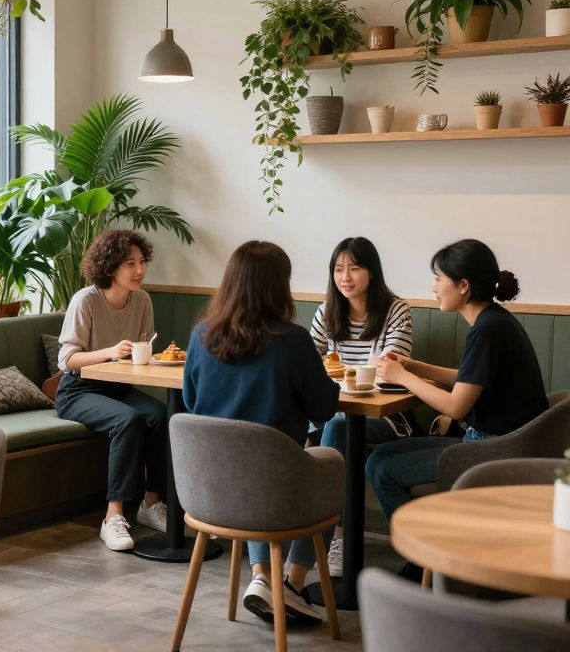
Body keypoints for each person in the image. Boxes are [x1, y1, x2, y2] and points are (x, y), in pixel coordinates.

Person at [182, 241, 339, 626]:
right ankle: (292, 584)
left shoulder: (202, 336)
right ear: (279, 287)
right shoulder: (293, 341)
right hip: (273, 493)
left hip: (210, 493)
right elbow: (324, 409)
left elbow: (190, 401)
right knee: (330, 464)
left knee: (252, 465)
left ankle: (261, 578)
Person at [367, 239, 547, 539]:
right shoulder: (493, 320)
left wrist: (402, 376)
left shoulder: (487, 330)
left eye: (439, 279)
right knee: (378, 459)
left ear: (463, 285)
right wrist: (415, 367)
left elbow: (456, 407)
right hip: (500, 442)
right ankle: (428, 554)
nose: (434, 288)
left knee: (382, 470)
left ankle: (425, 557)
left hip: (494, 450)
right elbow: (468, 378)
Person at [55, 229, 167, 552]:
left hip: (117, 387)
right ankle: (113, 516)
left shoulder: (142, 300)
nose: (140, 270)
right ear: (109, 266)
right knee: (128, 420)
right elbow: (67, 359)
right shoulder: (85, 300)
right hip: (77, 390)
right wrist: (109, 351)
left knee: (159, 414)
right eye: (130, 263)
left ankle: (150, 504)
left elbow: (142, 349)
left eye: (142, 261)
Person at [309, 236, 414, 576]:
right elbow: (308, 365)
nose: (345, 277)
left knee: (337, 427)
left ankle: (336, 535)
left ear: (372, 272)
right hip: (330, 414)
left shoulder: (396, 309)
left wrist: (336, 375)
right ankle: (294, 531)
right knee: (311, 425)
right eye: (338, 269)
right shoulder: (327, 311)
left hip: (386, 417)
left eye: (354, 268)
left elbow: (390, 367)